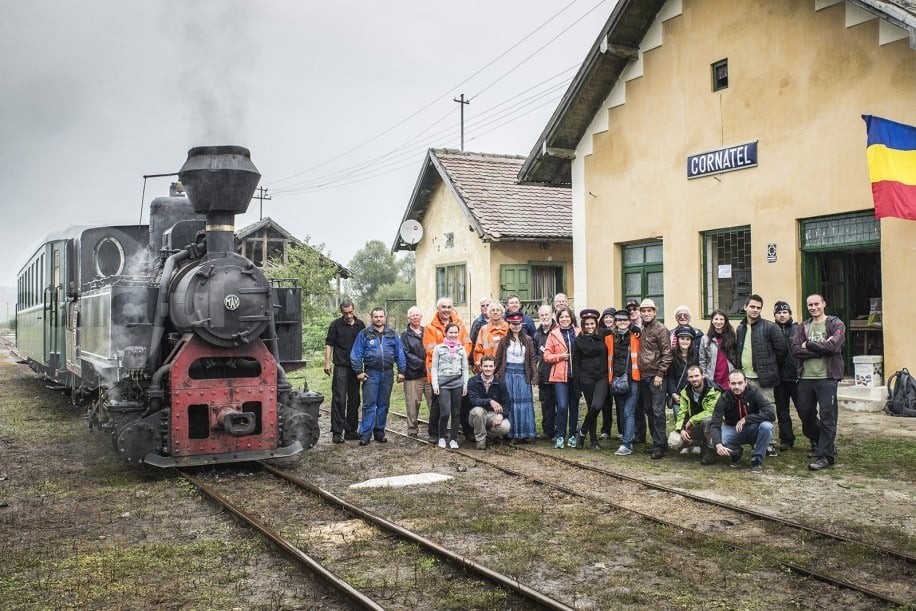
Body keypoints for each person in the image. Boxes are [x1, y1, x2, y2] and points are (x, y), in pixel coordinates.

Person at [791, 293, 846, 471]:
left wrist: (810, 345)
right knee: (806, 415)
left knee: (828, 416)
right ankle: (823, 443)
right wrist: (820, 349)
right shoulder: (802, 327)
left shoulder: (835, 324)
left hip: (827, 378)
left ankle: (826, 456)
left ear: (824, 304)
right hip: (805, 378)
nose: (813, 308)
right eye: (810, 305)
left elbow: (833, 347)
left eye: (816, 304)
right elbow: (796, 350)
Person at [349, 307, 406, 446]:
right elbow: (355, 353)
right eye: (376, 316)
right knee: (369, 405)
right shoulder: (364, 334)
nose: (378, 319)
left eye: (381, 316)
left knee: (383, 405)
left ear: (385, 318)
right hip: (371, 373)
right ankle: (365, 434)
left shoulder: (392, 334)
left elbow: (400, 353)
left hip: (387, 373)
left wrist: (401, 371)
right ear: (371, 318)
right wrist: (358, 371)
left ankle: (379, 432)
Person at [708, 370, 776, 473]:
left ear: (745, 382)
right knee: (714, 441)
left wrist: (747, 419)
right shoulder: (724, 398)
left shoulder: (754, 393)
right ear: (729, 384)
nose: (737, 387)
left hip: (753, 428)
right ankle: (736, 453)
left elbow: (771, 414)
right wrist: (718, 444)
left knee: (767, 427)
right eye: (733, 383)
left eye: (740, 383)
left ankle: (756, 461)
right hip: (733, 429)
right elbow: (715, 422)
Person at [423, 298, 471, 441]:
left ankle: (462, 431)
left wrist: (459, 356)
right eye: (443, 307)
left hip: (456, 372)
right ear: (438, 308)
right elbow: (430, 349)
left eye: (449, 306)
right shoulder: (430, 327)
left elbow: (467, 344)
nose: (446, 309)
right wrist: (447, 354)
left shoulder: (459, 324)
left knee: (459, 404)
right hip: (438, 372)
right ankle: (434, 432)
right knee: (437, 405)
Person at [324, 300, 365, 443]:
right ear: (341, 312)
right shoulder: (335, 325)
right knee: (339, 399)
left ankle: (351, 430)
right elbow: (329, 344)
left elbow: (364, 345)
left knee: (354, 399)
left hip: (356, 367)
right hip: (341, 366)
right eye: (345, 313)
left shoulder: (361, 325)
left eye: (350, 312)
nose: (348, 315)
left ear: (354, 310)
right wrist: (327, 362)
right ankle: (337, 432)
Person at [495, 312, 539, 443]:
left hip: (523, 374)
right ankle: (511, 434)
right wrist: (492, 372)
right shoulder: (504, 341)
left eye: (518, 324)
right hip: (507, 374)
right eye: (513, 324)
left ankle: (526, 433)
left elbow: (532, 359)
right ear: (509, 325)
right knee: (511, 404)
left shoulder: (528, 340)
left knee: (525, 404)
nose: (516, 326)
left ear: (521, 324)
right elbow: (498, 359)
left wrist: (535, 375)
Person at [637, 298, 672, 459]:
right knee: (649, 411)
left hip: (656, 376)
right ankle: (659, 442)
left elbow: (667, 354)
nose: (646, 313)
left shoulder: (660, 329)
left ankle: (659, 446)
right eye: (643, 311)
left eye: (649, 311)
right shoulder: (642, 329)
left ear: (654, 312)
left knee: (658, 412)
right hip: (644, 376)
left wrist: (660, 374)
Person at [544, 308, 579, 448]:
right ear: (558, 319)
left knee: (574, 406)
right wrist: (560, 357)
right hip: (559, 376)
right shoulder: (553, 334)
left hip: (575, 376)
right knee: (563, 406)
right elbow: (546, 355)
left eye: (567, 317)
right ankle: (560, 435)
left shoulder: (578, 332)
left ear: (571, 318)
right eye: (562, 317)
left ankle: (572, 435)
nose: (565, 319)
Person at [574, 308, 609, 450]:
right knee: (590, 407)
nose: (589, 327)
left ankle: (582, 432)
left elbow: (620, 330)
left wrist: (635, 327)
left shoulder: (604, 335)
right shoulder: (578, 341)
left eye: (592, 324)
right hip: (586, 377)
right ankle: (594, 440)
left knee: (597, 406)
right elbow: (575, 364)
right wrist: (576, 386)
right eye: (587, 324)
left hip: (602, 376)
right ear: (583, 325)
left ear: (596, 324)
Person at [431, 322, 469, 449]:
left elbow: (465, 368)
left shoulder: (462, 349)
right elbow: (434, 367)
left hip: (457, 383)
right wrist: (435, 384)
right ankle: (442, 436)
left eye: (455, 332)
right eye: (451, 332)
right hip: (443, 384)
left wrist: (465, 385)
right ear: (445, 333)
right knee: (445, 412)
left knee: (456, 412)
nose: (453, 335)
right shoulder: (438, 348)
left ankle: (453, 439)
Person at [670, 365, 720, 464]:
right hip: (695, 425)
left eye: (697, 376)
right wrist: (681, 429)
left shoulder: (714, 390)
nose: (694, 379)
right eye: (691, 377)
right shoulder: (685, 392)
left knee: (707, 421)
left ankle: (710, 451)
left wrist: (692, 420)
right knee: (674, 440)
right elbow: (682, 412)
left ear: (703, 375)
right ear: (688, 378)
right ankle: (697, 444)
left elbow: (711, 411)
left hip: (714, 425)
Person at [773, 300, 801, 451]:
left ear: (790, 314)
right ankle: (786, 439)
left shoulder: (798, 329)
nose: (782, 315)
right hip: (779, 379)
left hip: (796, 377)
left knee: (804, 410)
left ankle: (815, 440)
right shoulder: (771, 329)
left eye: (785, 312)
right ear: (775, 316)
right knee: (782, 411)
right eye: (779, 313)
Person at [467, 356, 512, 449]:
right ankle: (480, 443)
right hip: (475, 416)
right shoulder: (473, 381)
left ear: (494, 367)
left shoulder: (500, 383)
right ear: (481, 367)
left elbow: (506, 402)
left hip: (491, 415)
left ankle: (488, 437)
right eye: (485, 366)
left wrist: (501, 415)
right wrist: (490, 401)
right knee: (478, 411)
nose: (488, 369)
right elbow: (473, 400)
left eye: (491, 366)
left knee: (506, 426)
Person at [401, 306, 432, 438]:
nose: (415, 317)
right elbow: (406, 353)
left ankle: (435, 429)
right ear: (408, 318)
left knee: (433, 402)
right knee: (413, 404)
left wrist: (430, 365)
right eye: (412, 315)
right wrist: (423, 364)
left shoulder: (427, 331)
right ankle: (412, 430)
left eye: (417, 315)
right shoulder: (404, 335)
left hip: (429, 374)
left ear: (421, 317)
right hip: (413, 375)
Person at [698, 309, 738, 390]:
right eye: (716, 319)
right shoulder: (705, 339)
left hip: (729, 377)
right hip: (712, 379)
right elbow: (702, 360)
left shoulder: (733, 337)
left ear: (725, 321)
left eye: (721, 319)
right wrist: (705, 376)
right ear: (712, 321)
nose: (718, 322)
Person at [533, 304, 557, 441]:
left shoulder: (558, 331)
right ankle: (548, 431)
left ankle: (558, 430)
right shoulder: (537, 334)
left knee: (559, 404)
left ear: (552, 315)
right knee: (546, 404)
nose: (544, 317)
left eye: (546, 314)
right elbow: (535, 355)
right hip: (543, 375)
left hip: (557, 374)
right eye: (542, 315)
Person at [666, 326, 699, 425]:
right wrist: (673, 393)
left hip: (693, 393)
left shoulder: (696, 354)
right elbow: (670, 376)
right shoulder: (672, 354)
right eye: (682, 339)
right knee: (679, 420)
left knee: (693, 420)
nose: (685, 341)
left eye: (687, 339)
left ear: (691, 341)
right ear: (678, 340)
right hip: (678, 394)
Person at [598, 307, 619, 440]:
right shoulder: (600, 333)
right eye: (605, 317)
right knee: (606, 404)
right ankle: (606, 430)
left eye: (610, 317)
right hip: (604, 372)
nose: (608, 319)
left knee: (620, 403)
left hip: (617, 372)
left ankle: (621, 430)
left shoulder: (620, 333)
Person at [473, 301, 509, 371]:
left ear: (502, 313)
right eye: (493, 310)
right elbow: (478, 350)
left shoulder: (508, 328)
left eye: (498, 310)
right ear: (489, 314)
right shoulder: (484, 329)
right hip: (488, 366)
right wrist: (480, 362)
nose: (495, 312)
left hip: (506, 366)